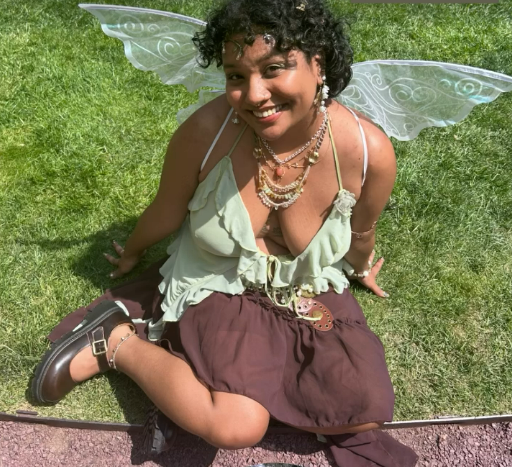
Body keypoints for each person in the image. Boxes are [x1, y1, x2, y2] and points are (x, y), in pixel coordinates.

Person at [32, 0, 418, 465]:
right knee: (237, 424)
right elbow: (167, 209)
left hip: (301, 286)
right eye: (236, 75)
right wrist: (133, 253)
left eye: (273, 69)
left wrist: (360, 266)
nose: (254, 95)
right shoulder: (208, 132)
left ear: (319, 65)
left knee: (362, 409)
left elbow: (362, 228)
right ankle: (115, 341)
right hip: (217, 280)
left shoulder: (367, 151)